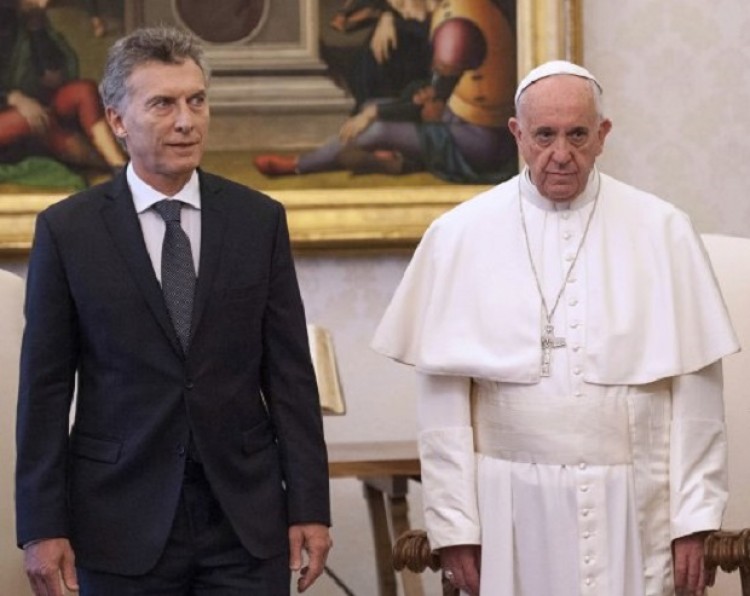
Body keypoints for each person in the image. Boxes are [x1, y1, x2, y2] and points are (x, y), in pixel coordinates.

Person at [371, 60, 739, 596]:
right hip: (508, 504)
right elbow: (442, 408)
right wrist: (455, 527)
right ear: (517, 133)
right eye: (544, 135)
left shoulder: (663, 230)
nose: (561, 154)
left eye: (577, 135)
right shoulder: (459, 235)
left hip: (636, 501)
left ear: (603, 135)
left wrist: (696, 518)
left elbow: (698, 398)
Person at [15, 26, 332, 596]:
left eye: (197, 100)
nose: (187, 121)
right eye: (163, 104)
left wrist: (310, 506)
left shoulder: (258, 220)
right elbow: (45, 390)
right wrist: (41, 525)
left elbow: (290, 377)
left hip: (244, 521)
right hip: (117, 520)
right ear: (117, 120)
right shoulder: (68, 231)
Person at [255, 0, 517, 185]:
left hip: (482, 141)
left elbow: (429, 104)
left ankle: (298, 165)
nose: (399, 9)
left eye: (400, 2)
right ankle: (398, 159)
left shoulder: (455, 30)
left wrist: (373, 114)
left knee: (377, 127)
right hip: (460, 115)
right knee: (372, 105)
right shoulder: (452, 9)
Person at [0, 0, 126, 174]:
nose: (43, 4)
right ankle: (106, 166)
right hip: (10, 114)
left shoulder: (27, 20)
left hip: (35, 103)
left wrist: (36, 29)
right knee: (36, 119)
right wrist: (13, 98)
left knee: (84, 91)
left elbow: (53, 78)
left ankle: (118, 163)